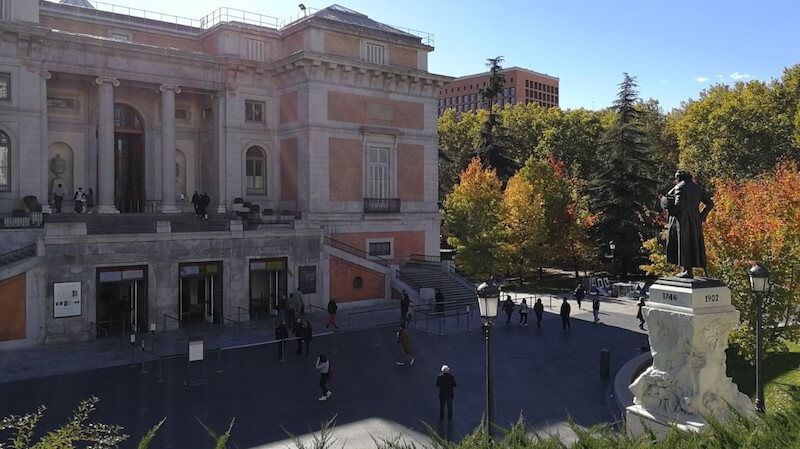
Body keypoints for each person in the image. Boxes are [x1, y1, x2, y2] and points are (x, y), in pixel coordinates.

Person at [660, 170, 714, 278]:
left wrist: (668, 207)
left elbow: (679, 206)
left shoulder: (680, 187)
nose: (676, 180)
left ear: (680, 178)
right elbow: (710, 203)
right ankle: (688, 270)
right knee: (693, 243)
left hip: (682, 220)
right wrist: (701, 216)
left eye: (676, 178)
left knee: (683, 243)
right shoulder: (698, 188)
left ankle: (687, 270)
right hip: (694, 220)